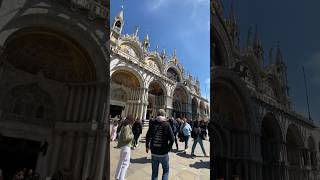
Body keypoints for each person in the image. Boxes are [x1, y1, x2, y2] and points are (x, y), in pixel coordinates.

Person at [146, 109, 174, 180]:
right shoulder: (167, 124)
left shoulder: (153, 123)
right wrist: (168, 148)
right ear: (164, 114)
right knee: (166, 171)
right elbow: (172, 138)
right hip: (163, 152)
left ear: (157, 114)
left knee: (154, 173)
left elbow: (148, 136)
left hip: (154, 152)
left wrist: (147, 146)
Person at [115, 115, 134, 180]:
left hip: (123, 146)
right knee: (125, 163)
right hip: (126, 146)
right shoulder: (127, 127)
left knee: (121, 162)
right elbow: (126, 138)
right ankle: (121, 178)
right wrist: (132, 136)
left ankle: (117, 177)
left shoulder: (124, 126)